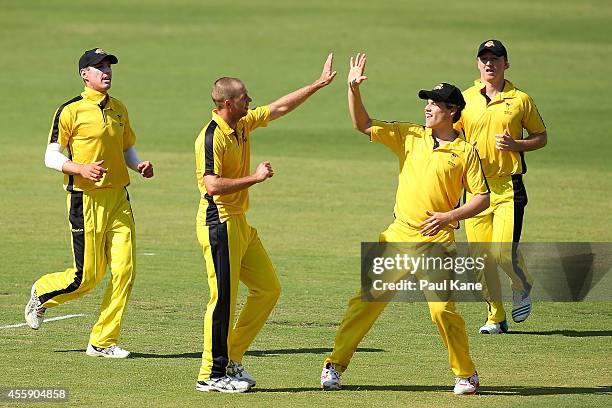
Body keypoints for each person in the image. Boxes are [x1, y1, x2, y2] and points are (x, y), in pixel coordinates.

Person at [319, 53, 490, 395]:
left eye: (435, 103)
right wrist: (353, 89)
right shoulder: (409, 135)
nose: (427, 107)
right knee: (366, 301)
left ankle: (465, 374)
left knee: (443, 311)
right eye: (427, 102)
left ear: (453, 111)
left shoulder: (464, 152)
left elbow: (482, 198)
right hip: (398, 235)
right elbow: (363, 124)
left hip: (437, 241)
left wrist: (450, 216)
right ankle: (334, 365)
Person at [194, 54, 337, 393]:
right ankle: (210, 376)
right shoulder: (212, 136)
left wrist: (317, 85)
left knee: (268, 288)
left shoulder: (241, 123)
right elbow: (211, 185)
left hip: (240, 222)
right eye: (245, 97)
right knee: (223, 300)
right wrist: (254, 178)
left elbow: (279, 108)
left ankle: (230, 356)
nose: (251, 101)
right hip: (219, 223)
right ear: (228, 102)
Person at [24, 48, 154, 359]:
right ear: (85, 74)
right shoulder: (70, 111)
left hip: (119, 198)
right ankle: (42, 292)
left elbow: (126, 149)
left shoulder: (119, 109)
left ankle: (102, 341)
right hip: (86, 200)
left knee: (125, 271)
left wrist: (138, 166)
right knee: (87, 278)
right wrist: (80, 168)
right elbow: (51, 156)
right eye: (99, 68)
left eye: (108, 67)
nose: (106, 72)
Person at [456, 40, 547, 334]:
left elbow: (541, 136)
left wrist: (515, 144)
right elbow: (453, 140)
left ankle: (522, 283)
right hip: (475, 188)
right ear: (477, 64)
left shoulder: (520, 99)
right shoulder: (466, 99)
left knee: (503, 253)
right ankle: (495, 317)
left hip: (508, 186)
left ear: (506, 64)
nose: (489, 64)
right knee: (481, 259)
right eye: (484, 59)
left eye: (496, 59)